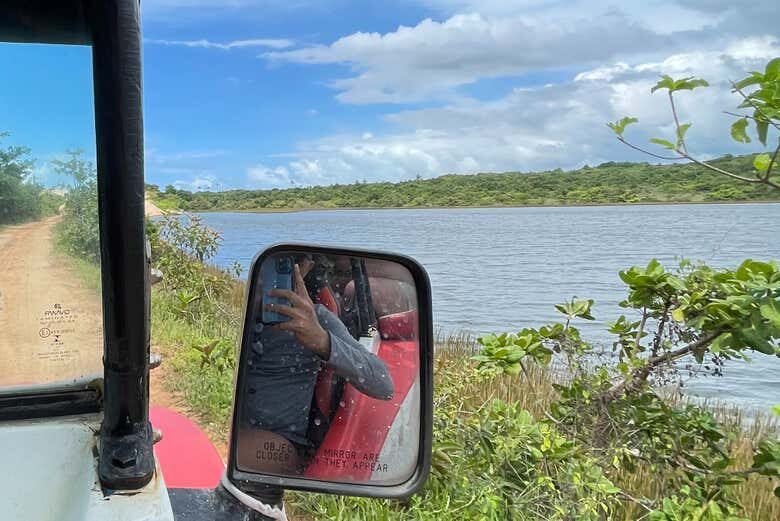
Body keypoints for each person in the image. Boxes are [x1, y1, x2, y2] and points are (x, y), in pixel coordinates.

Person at [237, 257, 394, 476]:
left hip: (280, 444)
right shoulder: (239, 313)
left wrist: (322, 341)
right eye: (262, 270)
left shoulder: (316, 318)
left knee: (229, 453)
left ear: (304, 269)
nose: (266, 279)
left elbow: (384, 384)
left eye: (282, 267)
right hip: (235, 426)